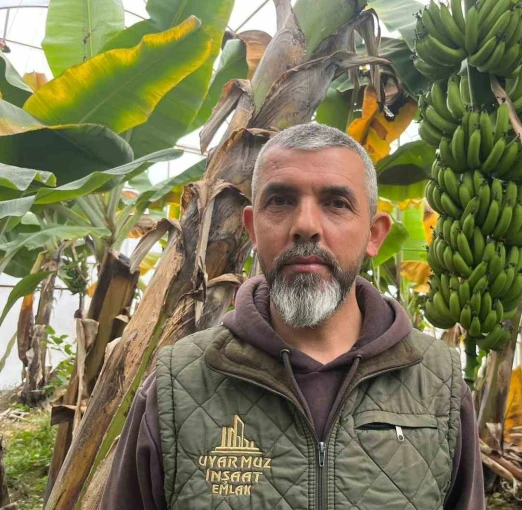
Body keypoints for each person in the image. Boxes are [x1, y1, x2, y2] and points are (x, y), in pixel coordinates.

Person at [99, 123, 485, 510]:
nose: (305, 226)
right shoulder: (176, 386)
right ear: (252, 227)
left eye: (336, 203)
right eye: (281, 201)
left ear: (374, 233)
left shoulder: (439, 386)